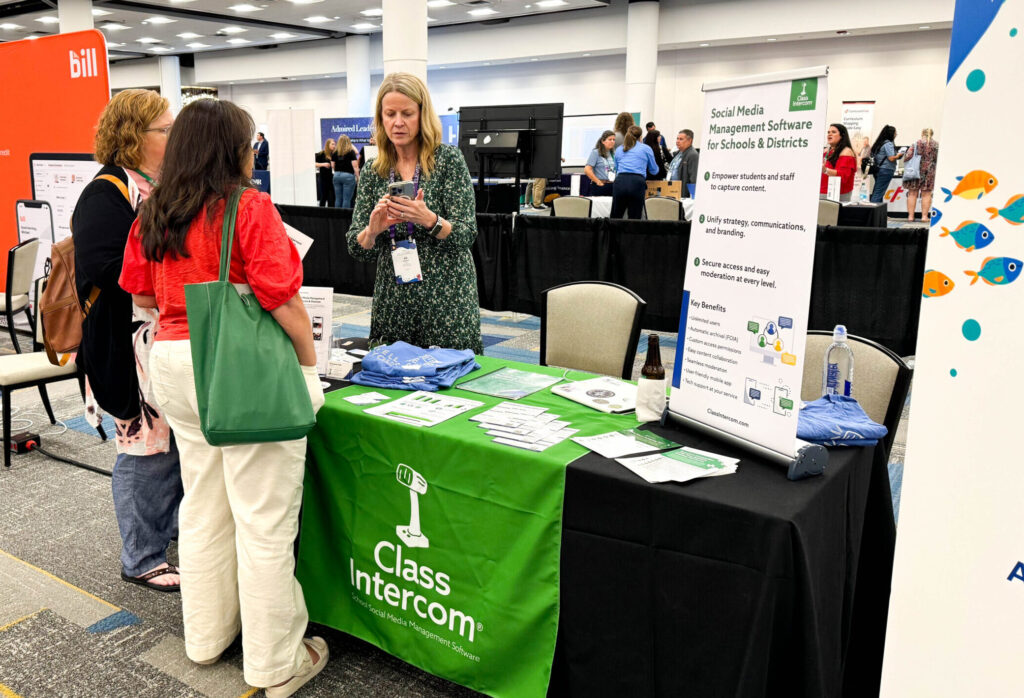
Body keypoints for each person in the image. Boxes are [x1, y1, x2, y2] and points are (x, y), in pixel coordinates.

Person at [119, 98, 329, 696]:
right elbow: (283, 300)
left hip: (172, 365)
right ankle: (276, 664)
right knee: (264, 521)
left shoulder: (155, 209)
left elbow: (140, 300)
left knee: (205, 504)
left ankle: (206, 639)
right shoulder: (248, 207)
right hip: (235, 367)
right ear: (235, 149)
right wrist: (308, 373)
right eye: (250, 142)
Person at [72, 89, 183, 593]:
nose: (173, 136)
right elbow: (104, 269)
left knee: (172, 447)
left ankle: (165, 535)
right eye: (165, 129)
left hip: (162, 341)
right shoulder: (105, 193)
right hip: (126, 347)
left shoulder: (159, 185)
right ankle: (141, 556)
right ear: (135, 137)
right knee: (143, 449)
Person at [347, 72, 483, 353]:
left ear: (422, 115)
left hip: (446, 300)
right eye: (390, 113)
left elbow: (466, 235)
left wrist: (428, 219)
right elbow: (357, 248)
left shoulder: (447, 161)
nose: (398, 122)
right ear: (380, 118)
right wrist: (373, 231)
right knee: (390, 382)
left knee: (451, 383)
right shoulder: (374, 172)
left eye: (407, 113)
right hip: (394, 301)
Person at [611, 125, 658, 219]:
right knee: (635, 217)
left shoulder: (620, 149)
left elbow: (616, 167)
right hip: (637, 183)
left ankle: (613, 234)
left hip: (620, 181)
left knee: (616, 216)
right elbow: (654, 171)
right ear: (640, 136)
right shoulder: (646, 148)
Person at [903, 128, 939, 222]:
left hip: (914, 171)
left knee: (912, 193)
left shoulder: (916, 143)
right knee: (926, 194)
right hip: (929, 172)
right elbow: (939, 159)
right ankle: (924, 217)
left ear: (922, 133)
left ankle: (910, 216)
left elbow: (907, 156)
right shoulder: (935, 145)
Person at [820, 123, 857, 202]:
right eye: (828, 132)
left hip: (838, 194)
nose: (829, 134)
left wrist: (825, 170)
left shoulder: (846, 152)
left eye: (833, 132)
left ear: (842, 136)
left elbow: (843, 176)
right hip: (822, 192)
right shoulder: (826, 151)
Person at [869, 124, 902, 203]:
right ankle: (873, 212)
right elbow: (891, 158)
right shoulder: (888, 144)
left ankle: (878, 213)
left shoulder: (879, 143)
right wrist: (899, 155)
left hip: (878, 169)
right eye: (895, 133)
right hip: (886, 170)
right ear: (891, 134)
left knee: (878, 191)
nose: (896, 134)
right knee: (878, 193)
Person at [666, 129, 699, 197]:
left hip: (683, 195)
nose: (677, 141)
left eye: (681, 139)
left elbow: (694, 178)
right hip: (671, 191)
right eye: (677, 138)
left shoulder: (692, 155)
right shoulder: (678, 153)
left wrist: (692, 196)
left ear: (690, 141)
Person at [584, 130, 616, 196]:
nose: (612, 141)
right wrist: (597, 181)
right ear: (603, 141)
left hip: (612, 185)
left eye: (614, 139)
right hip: (600, 186)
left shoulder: (614, 153)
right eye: (610, 139)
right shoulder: (596, 152)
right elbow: (587, 169)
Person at [332, 135, 359, 208]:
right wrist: (358, 177)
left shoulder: (335, 153)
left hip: (336, 176)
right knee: (346, 199)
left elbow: (333, 166)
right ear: (348, 142)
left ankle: (337, 217)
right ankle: (344, 218)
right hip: (348, 176)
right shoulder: (351, 152)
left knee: (338, 199)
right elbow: (355, 167)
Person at [315, 138, 335, 207]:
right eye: (332, 144)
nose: (334, 146)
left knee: (331, 198)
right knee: (323, 197)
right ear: (327, 145)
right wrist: (323, 164)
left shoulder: (334, 155)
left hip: (332, 179)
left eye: (334, 144)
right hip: (323, 178)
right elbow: (314, 164)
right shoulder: (321, 154)